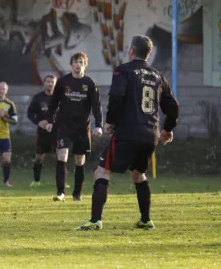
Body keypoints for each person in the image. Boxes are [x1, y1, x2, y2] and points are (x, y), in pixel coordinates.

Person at [77, 35, 179, 230]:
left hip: (127, 132)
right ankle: (146, 219)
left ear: (131, 51)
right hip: (150, 134)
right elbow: (173, 106)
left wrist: (112, 122)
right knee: (138, 174)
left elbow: (117, 96)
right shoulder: (158, 76)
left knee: (102, 171)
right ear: (148, 54)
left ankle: (95, 220)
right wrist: (167, 129)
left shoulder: (123, 71)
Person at [40, 52, 103, 202]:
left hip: (82, 127)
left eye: (81, 62)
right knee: (62, 156)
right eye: (75, 61)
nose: (77, 64)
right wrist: (49, 121)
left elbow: (96, 106)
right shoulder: (62, 82)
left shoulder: (90, 83)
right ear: (71, 64)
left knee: (79, 161)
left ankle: (77, 194)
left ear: (85, 64)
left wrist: (99, 125)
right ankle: (61, 192)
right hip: (64, 125)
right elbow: (54, 103)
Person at [27, 75, 57, 187]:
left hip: (56, 131)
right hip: (42, 132)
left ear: (55, 84)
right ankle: (36, 180)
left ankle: (60, 180)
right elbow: (29, 113)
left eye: (52, 82)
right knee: (39, 157)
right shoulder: (38, 98)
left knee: (60, 156)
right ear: (44, 83)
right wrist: (38, 122)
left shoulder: (59, 98)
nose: (50, 84)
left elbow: (65, 113)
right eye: (48, 81)